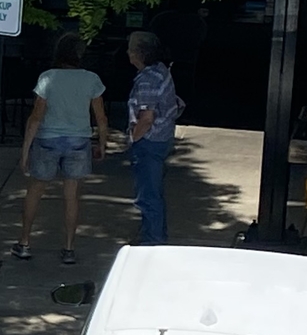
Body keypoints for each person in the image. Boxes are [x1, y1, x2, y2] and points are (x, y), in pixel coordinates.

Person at [12, 31, 109, 265]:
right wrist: (102, 144)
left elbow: (35, 118)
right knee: (72, 195)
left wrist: (25, 151)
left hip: (48, 139)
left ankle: (24, 241)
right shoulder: (91, 79)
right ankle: (68, 247)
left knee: (35, 190)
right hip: (78, 141)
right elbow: (101, 118)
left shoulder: (48, 77)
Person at [123, 29, 184, 246]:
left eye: (131, 48)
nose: (128, 52)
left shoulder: (147, 80)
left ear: (139, 53)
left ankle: (153, 241)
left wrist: (133, 138)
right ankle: (155, 237)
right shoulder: (160, 71)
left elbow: (146, 117)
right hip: (162, 139)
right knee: (152, 192)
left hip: (149, 142)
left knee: (148, 196)